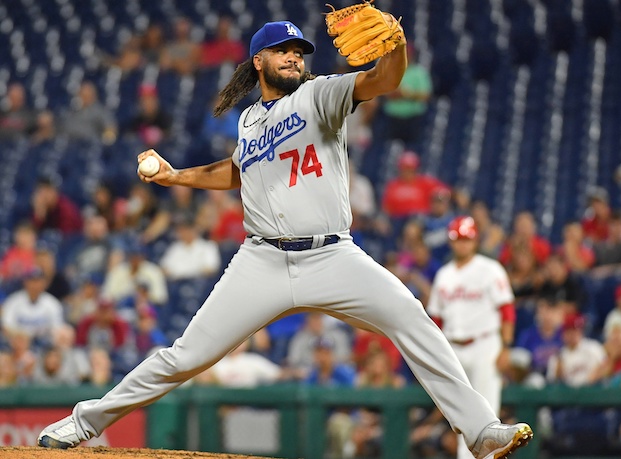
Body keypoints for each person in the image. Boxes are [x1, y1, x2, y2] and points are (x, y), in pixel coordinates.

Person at [38, 20, 532, 458]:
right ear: (259, 61)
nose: (296, 56)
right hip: (262, 261)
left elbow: (385, 79)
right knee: (184, 357)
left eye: (299, 50)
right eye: (284, 50)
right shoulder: (250, 122)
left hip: (333, 255)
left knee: (411, 318)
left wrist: (397, 48)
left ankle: (481, 430)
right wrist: (174, 177)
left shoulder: (321, 95)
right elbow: (235, 173)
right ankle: (84, 422)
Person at [427, 216, 517, 459]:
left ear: (475, 240)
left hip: (484, 345)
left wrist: (506, 347)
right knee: (459, 414)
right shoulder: (443, 274)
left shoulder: (490, 269)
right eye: (457, 240)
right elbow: (436, 320)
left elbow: (507, 310)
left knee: (488, 413)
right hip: (453, 347)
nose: (462, 245)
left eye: (466, 239)